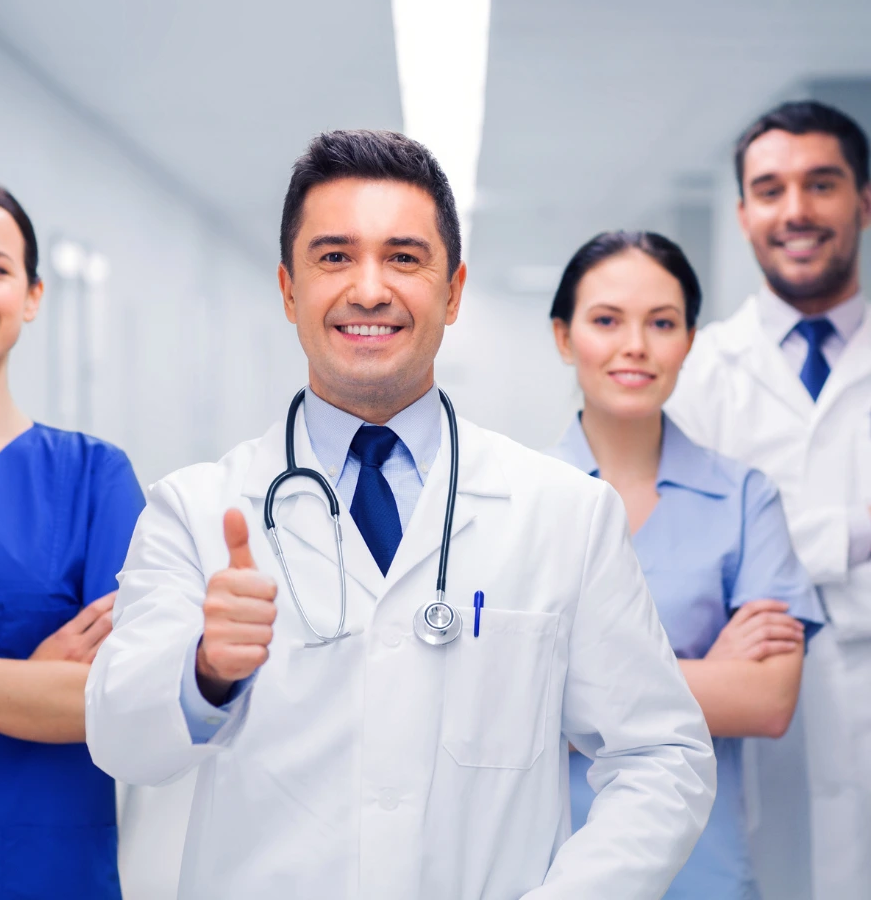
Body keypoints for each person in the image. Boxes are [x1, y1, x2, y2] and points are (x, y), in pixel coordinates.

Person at [86, 129, 715, 900]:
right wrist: (205, 672)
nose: (369, 289)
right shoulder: (193, 510)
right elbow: (120, 743)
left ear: (453, 292)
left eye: (405, 258)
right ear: (288, 290)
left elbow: (661, 758)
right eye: (334, 256)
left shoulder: (566, 515)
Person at [548, 230, 824, 900]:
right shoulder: (520, 502)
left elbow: (767, 701)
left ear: (690, 342)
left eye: (662, 323)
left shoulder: (745, 499)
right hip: (555, 869)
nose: (635, 345)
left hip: (705, 870)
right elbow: (498, 704)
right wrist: (711, 673)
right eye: (606, 320)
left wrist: (570, 696)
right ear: (563, 337)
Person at [0, 178, 145, 899]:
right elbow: (65, 694)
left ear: (33, 295)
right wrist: (32, 679)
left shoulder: (95, 478)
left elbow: (111, 701)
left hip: (43, 872)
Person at [665, 101, 871, 900]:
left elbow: (743, 557)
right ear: (743, 212)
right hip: (752, 723)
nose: (796, 211)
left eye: (821, 184)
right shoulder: (697, 375)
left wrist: (771, 555)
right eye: (770, 189)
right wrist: (856, 535)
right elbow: (690, 561)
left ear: (863, 200)